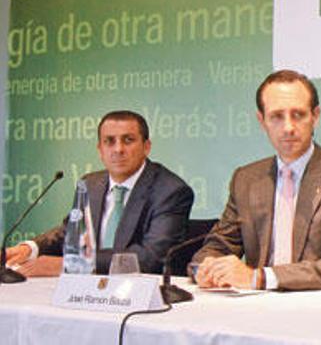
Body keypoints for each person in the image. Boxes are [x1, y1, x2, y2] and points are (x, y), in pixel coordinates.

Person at [193, 70, 321, 290]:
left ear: (315, 116)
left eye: (298, 114)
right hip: (253, 309)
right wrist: (205, 267)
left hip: (315, 309)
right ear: (262, 120)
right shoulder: (246, 179)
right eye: (276, 116)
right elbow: (216, 247)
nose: (288, 127)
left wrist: (261, 278)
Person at [3, 110, 194, 275]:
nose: (118, 149)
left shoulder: (171, 191)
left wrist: (72, 265)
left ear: (146, 147)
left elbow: (150, 258)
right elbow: (71, 231)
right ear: (100, 150)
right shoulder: (90, 184)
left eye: (128, 140)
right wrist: (30, 248)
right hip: (88, 292)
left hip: (137, 295)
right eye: (109, 141)